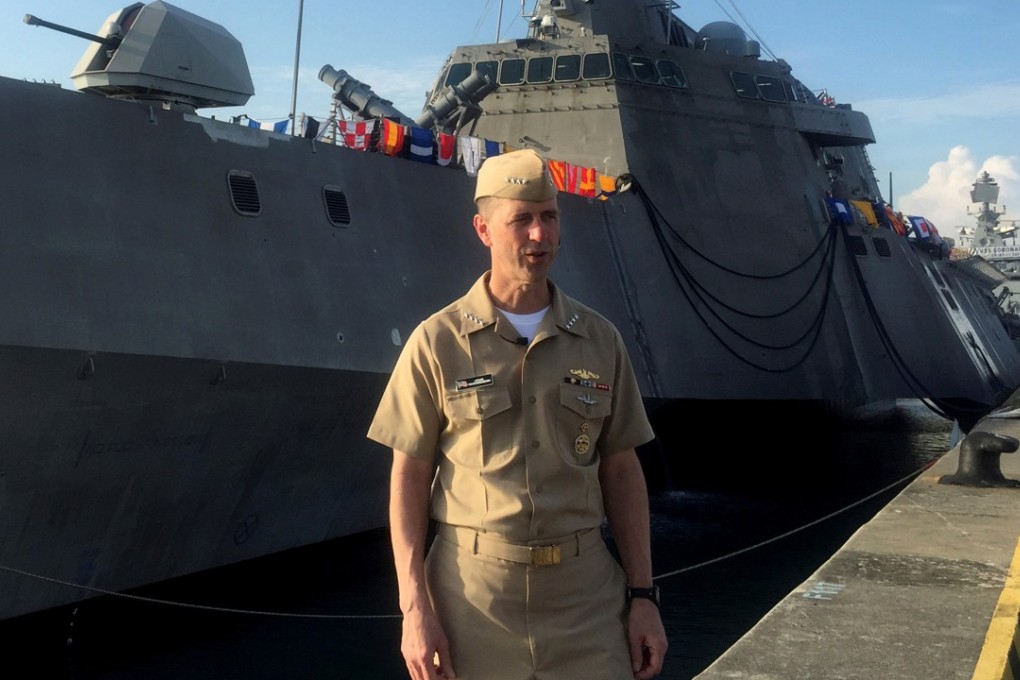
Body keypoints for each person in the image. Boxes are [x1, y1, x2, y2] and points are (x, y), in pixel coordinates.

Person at [367, 148, 667, 680]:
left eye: (549, 217)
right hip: (473, 604)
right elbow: (408, 476)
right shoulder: (437, 343)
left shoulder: (600, 340)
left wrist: (643, 595)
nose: (539, 235)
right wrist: (415, 609)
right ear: (483, 229)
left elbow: (621, 468)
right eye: (521, 220)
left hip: (586, 603)